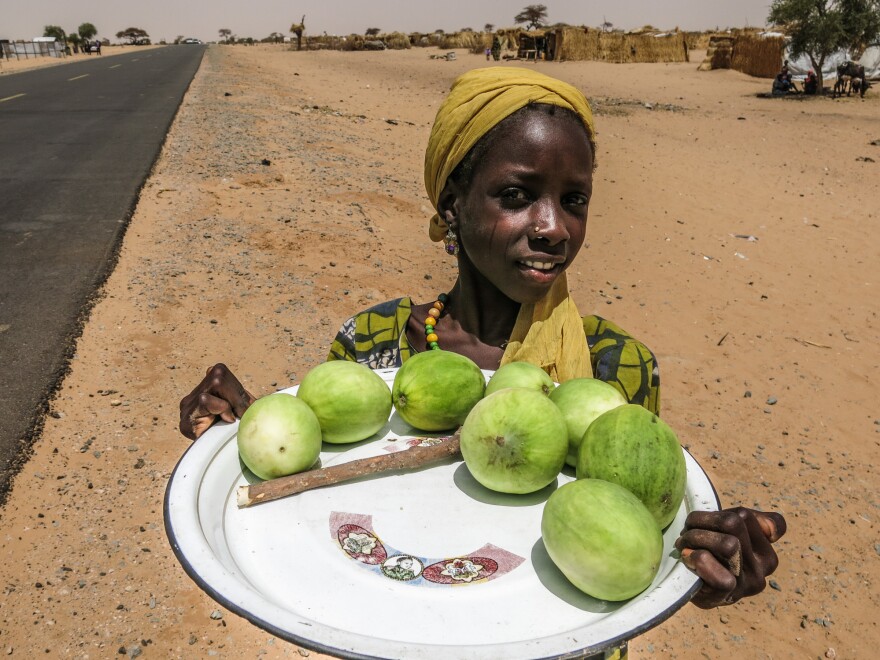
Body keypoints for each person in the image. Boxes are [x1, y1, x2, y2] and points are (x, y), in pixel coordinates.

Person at [179, 67, 786, 643]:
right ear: (452, 208)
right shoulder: (374, 341)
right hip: (406, 632)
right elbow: (325, 471)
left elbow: (636, 513)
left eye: (574, 200)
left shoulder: (614, 363)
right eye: (518, 194)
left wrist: (702, 555)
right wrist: (246, 423)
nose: (553, 226)